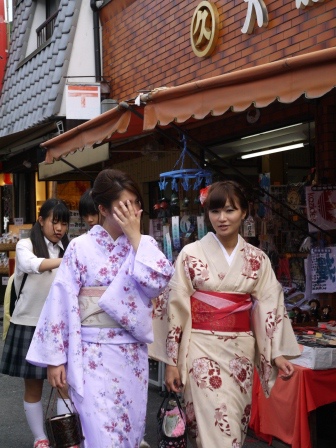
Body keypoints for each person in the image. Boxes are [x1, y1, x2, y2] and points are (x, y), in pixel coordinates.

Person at [26, 168, 174, 448]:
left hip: (131, 353)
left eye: (135, 205)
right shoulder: (80, 247)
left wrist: (136, 238)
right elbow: (61, 300)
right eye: (123, 207)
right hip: (91, 352)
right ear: (103, 208)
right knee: (98, 434)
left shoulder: (145, 245)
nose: (131, 213)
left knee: (129, 431)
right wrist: (56, 358)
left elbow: (158, 284)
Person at [150, 180, 301, 448]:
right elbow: (174, 306)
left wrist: (276, 354)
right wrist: (172, 361)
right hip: (199, 349)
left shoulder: (257, 259)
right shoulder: (190, 254)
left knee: (233, 423)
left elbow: (270, 304)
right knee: (212, 428)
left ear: (245, 212)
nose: (222, 218)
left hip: (240, 354)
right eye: (215, 211)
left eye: (230, 210)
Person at [0, 199, 71, 448]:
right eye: (54, 221)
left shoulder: (69, 247)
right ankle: (40, 439)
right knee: (33, 387)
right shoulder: (25, 244)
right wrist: (68, 261)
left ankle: (64, 437)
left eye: (64, 222)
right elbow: (32, 265)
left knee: (63, 385)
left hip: (59, 326)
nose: (59, 227)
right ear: (41, 221)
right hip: (28, 324)